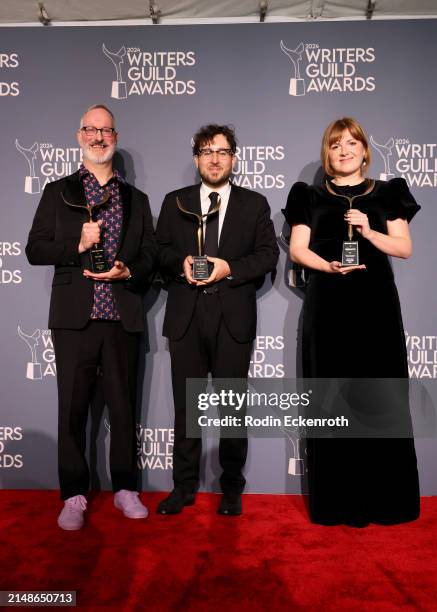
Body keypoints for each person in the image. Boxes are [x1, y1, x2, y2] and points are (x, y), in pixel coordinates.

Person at [283, 117, 420, 527]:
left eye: (351, 143)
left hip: (375, 307)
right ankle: (340, 503)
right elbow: (296, 250)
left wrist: (370, 231)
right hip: (329, 307)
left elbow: (405, 248)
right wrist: (325, 265)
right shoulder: (308, 195)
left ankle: (386, 502)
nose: (344, 150)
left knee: (380, 399)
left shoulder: (388, 192)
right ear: (328, 153)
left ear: (364, 150)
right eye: (336, 144)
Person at [26, 104, 157, 530]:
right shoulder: (57, 191)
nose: (99, 137)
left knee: (123, 410)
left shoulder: (136, 199)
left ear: (115, 137)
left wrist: (128, 270)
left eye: (106, 130)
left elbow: (151, 255)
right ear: (79, 136)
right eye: (90, 129)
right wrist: (75, 243)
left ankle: (125, 488)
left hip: (121, 317)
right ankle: (73, 495)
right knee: (73, 412)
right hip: (74, 320)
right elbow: (35, 250)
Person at [155, 124, 279, 515]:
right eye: (207, 151)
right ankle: (183, 487)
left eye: (222, 151)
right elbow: (157, 252)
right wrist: (181, 263)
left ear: (233, 158)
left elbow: (266, 256)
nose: (214, 158)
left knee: (232, 408)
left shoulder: (254, 204)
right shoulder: (174, 202)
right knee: (185, 410)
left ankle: (231, 489)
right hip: (186, 316)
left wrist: (228, 268)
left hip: (232, 317)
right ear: (196, 159)